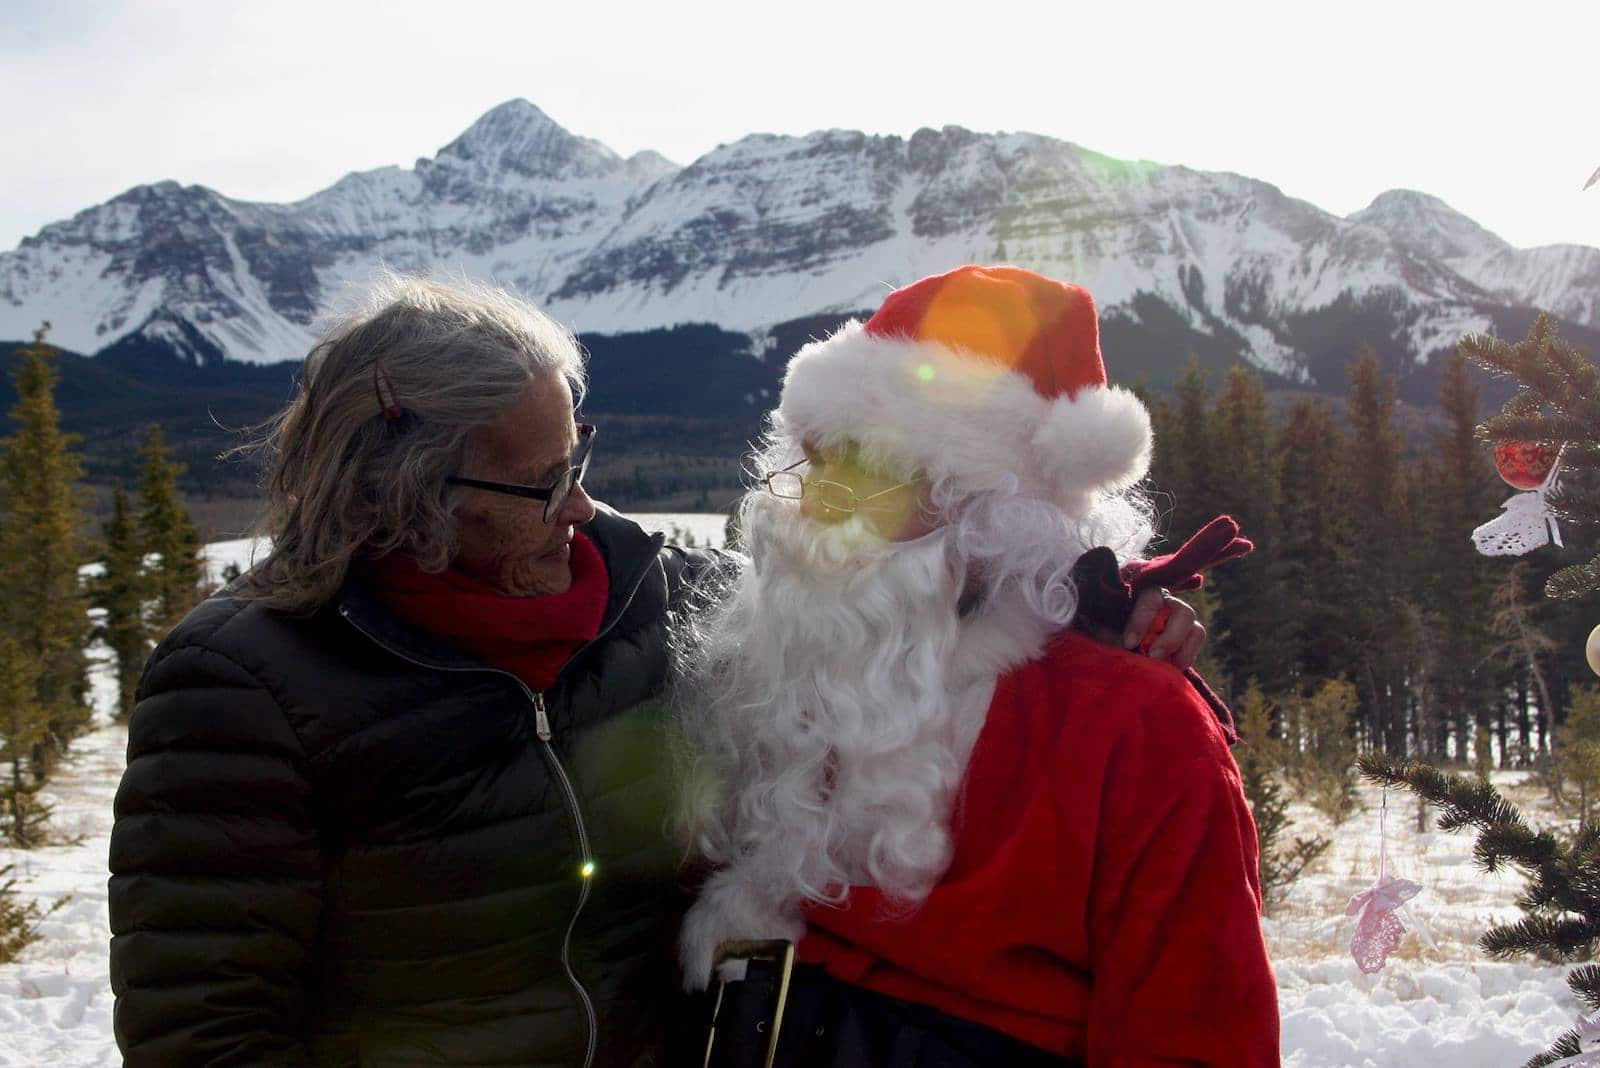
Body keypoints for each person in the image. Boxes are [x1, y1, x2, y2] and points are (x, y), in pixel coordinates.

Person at [106, 274, 1203, 1068]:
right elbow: (206, 1033)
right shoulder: (244, 686)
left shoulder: (658, 598)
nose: (582, 506)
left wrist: (1072, 614)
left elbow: (898, 619)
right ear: (403, 498)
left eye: (576, 455)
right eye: (542, 484)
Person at [677, 264, 1279, 1066]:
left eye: (875, 474)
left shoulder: (1137, 731)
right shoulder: (773, 661)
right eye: (816, 463)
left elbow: (1195, 1039)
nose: (820, 507)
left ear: (993, 515)